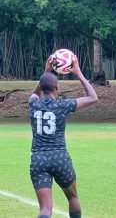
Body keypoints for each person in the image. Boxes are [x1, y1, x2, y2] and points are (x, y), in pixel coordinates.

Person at [28, 55, 98, 218]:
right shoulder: (63, 105)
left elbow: (35, 93)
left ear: (42, 87)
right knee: (72, 197)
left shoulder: (33, 104)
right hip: (59, 157)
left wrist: (46, 72)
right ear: (57, 88)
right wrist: (78, 73)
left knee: (45, 209)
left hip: (38, 159)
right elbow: (93, 97)